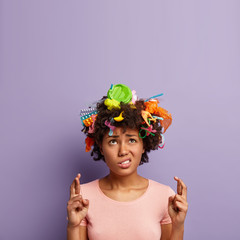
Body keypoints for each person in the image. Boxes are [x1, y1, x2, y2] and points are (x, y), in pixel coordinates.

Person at [67, 84, 188, 240]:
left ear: (144, 144)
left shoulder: (165, 196)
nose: (123, 151)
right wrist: (72, 226)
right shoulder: (83, 196)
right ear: (101, 147)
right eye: (112, 141)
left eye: (131, 140)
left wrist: (179, 225)